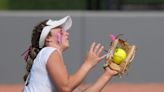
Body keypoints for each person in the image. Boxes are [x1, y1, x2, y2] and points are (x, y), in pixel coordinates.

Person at [22, 16, 118, 92]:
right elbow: (66, 88)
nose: (66, 33)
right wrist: (88, 64)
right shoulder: (49, 51)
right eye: (61, 31)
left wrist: (107, 74)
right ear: (48, 38)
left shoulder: (47, 57)